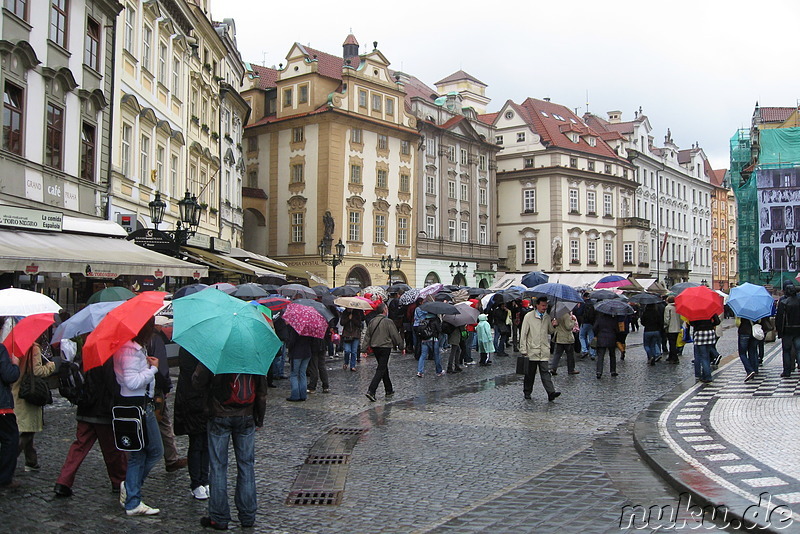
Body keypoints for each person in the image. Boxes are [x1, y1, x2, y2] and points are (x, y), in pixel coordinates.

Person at [193, 366, 267, 530]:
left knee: (218, 466)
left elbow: (198, 380)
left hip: (219, 415)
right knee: (246, 465)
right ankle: (247, 516)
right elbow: (261, 392)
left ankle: (219, 518)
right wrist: (259, 419)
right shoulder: (253, 353)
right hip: (246, 415)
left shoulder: (217, 351)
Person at [54, 354, 127, 497]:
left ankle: (63, 481)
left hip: (85, 408)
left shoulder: (87, 352)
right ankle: (120, 481)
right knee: (112, 449)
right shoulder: (107, 356)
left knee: (79, 447)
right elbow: (112, 384)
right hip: (102, 410)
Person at [114, 317, 163, 516]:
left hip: (136, 405)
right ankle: (132, 496)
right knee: (149, 451)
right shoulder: (130, 351)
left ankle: (132, 491)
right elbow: (132, 382)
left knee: (141, 452)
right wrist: (153, 369)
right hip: (136, 406)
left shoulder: (132, 348)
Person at [149, 317, 187, 473]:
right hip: (155, 389)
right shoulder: (155, 339)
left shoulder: (138, 339)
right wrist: (166, 387)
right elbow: (162, 367)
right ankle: (171, 459)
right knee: (163, 423)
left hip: (141, 389)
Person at [13, 336, 55, 472]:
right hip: (29, 394)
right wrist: (50, 366)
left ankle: (31, 460)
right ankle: (7, 463)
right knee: (27, 431)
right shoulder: (34, 348)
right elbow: (37, 371)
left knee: (28, 428)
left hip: (16, 391)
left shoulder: (17, 346)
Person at [174, 347, 210, 500]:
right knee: (196, 442)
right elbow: (192, 376)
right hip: (192, 400)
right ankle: (196, 483)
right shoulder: (189, 349)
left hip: (206, 401)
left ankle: (204, 479)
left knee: (206, 443)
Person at [519, 297, 560, 401]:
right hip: (532, 349)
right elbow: (523, 333)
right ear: (537, 305)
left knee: (545, 372)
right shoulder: (529, 316)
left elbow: (550, 331)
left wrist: (554, 325)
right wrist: (523, 349)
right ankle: (527, 392)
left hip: (544, 350)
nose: (544, 307)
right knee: (530, 374)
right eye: (542, 305)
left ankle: (551, 392)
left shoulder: (547, 317)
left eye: (545, 305)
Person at [364, 302, 403, 402]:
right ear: (384, 310)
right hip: (385, 347)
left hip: (375, 347)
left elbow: (367, 335)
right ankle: (371, 390)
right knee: (381, 369)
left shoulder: (372, 321)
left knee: (383, 367)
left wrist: (363, 348)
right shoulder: (388, 321)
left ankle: (388, 389)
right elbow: (395, 335)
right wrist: (401, 346)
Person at [0, 343, 21, 490]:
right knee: (10, 440)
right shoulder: (1, 349)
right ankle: (4, 478)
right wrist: (15, 365)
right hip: (2, 407)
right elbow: (9, 375)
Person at [284, 327, 316, 402]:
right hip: (307, 352)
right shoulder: (309, 327)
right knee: (302, 374)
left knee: (294, 374)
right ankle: (303, 394)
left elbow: (292, 342)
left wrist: (289, 347)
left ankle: (295, 395)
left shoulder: (295, 327)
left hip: (297, 353)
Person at [775, 282, 800, 377]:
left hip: (787, 330)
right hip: (798, 329)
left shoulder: (784, 303)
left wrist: (779, 331)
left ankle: (787, 371)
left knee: (786, 351)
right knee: (799, 350)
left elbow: (780, 319)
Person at [689, 314, 721, 384]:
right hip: (709, 333)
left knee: (703, 356)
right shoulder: (710, 310)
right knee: (706, 355)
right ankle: (705, 375)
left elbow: (691, 323)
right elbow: (717, 321)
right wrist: (711, 324)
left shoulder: (695, 311)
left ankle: (707, 376)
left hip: (699, 333)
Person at [550, 310, 578, 375]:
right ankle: (571, 369)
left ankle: (553, 368)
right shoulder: (566, 315)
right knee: (570, 355)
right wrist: (573, 320)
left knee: (557, 354)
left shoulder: (558, 314)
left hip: (559, 337)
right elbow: (568, 327)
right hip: (567, 338)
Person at [594, 311, 620, 379]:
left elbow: (595, 328)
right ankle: (613, 371)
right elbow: (617, 330)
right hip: (611, 338)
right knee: (612, 355)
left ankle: (599, 372)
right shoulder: (613, 320)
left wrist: (597, 334)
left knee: (600, 356)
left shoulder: (599, 319)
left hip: (601, 338)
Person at [736, 318, 762, 382]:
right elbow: (759, 321)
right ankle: (755, 369)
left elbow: (737, 323)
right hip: (753, 333)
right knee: (752, 351)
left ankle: (749, 370)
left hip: (744, 331)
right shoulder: (756, 310)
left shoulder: (742, 311)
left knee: (742, 353)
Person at [663, 296, 682, 364]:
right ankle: (671, 356)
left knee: (672, 343)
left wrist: (665, 326)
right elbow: (681, 318)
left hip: (670, 328)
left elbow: (667, 318)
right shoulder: (677, 307)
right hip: (677, 328)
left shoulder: (668, 307)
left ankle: (674, 358)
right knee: (673, 343)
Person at [577, 295, 597, 360]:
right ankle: (593, 353)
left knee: (582, 336)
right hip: (591, 323)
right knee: (591, 338)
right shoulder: (593, 303)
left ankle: (584, 350)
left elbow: (579, 312)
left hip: (584, 322)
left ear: (584, 297)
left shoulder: (583, 304)